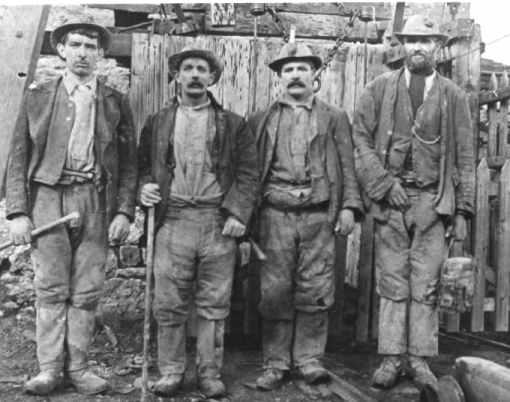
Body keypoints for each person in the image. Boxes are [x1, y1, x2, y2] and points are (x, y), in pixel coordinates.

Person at [5, 21, 138, 395]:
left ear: (101, 54)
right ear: (61, 50)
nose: (82, 52)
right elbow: (18, 155)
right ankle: (49, 369)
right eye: (75, 44)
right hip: (48, 197)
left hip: (95, 199)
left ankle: (78, 368)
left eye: (91, 46)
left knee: (87, 290)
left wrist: (125, 211)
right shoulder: (37, 96)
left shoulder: (115, 101)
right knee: (49, 287)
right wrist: (17, 211)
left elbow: (129, 164)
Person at [352, 15, 475, 390]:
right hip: (391, 201)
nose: (419, 47)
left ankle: (420, 359)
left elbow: (467, 156)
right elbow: (360, 140)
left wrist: (463, 209)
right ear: (401, 44)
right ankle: (391, 358)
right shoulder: (378, 89)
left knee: (426, 284)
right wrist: (384, 184)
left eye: (427, 41)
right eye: (412, 40)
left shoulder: (453, 96)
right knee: (392, 281)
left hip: (432, 202)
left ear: (438, 46)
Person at [138, 47, 258, 398]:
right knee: (169, 302)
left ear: (212, 78)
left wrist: (238, 214)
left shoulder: (233, 124)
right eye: (186, 68)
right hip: (172, 219)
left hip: (215, 221)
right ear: (176, 75)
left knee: (214, 302)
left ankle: (209, 373)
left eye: (201, 69)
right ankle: (172, 371)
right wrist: (143, 187)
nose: (193, 74)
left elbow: (249, 175)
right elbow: (143, 165)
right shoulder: (158, 121)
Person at [247, 42, 363, 390]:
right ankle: (276, 362)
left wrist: (348, 207)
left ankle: (310, 360)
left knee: (316, 286)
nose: (295, 75)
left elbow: (348, 165)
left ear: (316, 76)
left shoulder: (334, 117)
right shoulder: (262, 119)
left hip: (318, 216)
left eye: (302, 69)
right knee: (275, 289)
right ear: (279, 78)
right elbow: (250, 173)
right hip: (274, 215)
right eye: (288, 70)